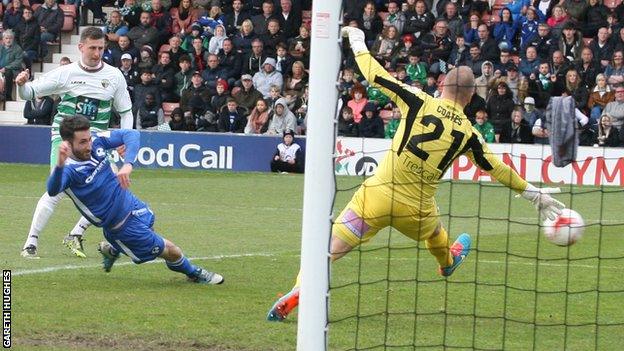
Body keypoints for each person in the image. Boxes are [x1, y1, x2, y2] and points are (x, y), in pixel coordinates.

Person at [266, 26, 566, 322]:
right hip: (417, 212)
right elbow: (496, 167)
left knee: (327, 250)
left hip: (376, 199)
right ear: (472, 96)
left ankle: (300, 289)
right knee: (436, 233)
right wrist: (532, 192)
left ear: (443, 86)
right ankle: (447, 262)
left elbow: (374, 74)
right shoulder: (468, 132)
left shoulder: (418, 99)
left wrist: (357, 40)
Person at [48, 115, 224, 284]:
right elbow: (52, 189)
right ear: (68, 144)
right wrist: (60, 164)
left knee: (150, 224)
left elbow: (132, 134)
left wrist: (127, 164)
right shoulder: (68, 171)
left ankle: (112, 250)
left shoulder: (97, 142)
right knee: (172, 251)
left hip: (132, 203)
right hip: (121, 227)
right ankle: (194, 273)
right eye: (83, 142)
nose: (89, 145)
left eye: (89, 139)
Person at [16, 27, 134, 259]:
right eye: (92, 48)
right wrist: (21, 84)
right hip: (66, 139)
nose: (97, 53)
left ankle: (75, 233)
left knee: (113, 191)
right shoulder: (65, 73)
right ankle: (30, 242)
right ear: (81, 47)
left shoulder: (113, 76)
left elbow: (126, 112)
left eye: (101, 48)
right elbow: (29, 93)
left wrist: (124, 138)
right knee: (56, 189)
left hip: (95, 141)